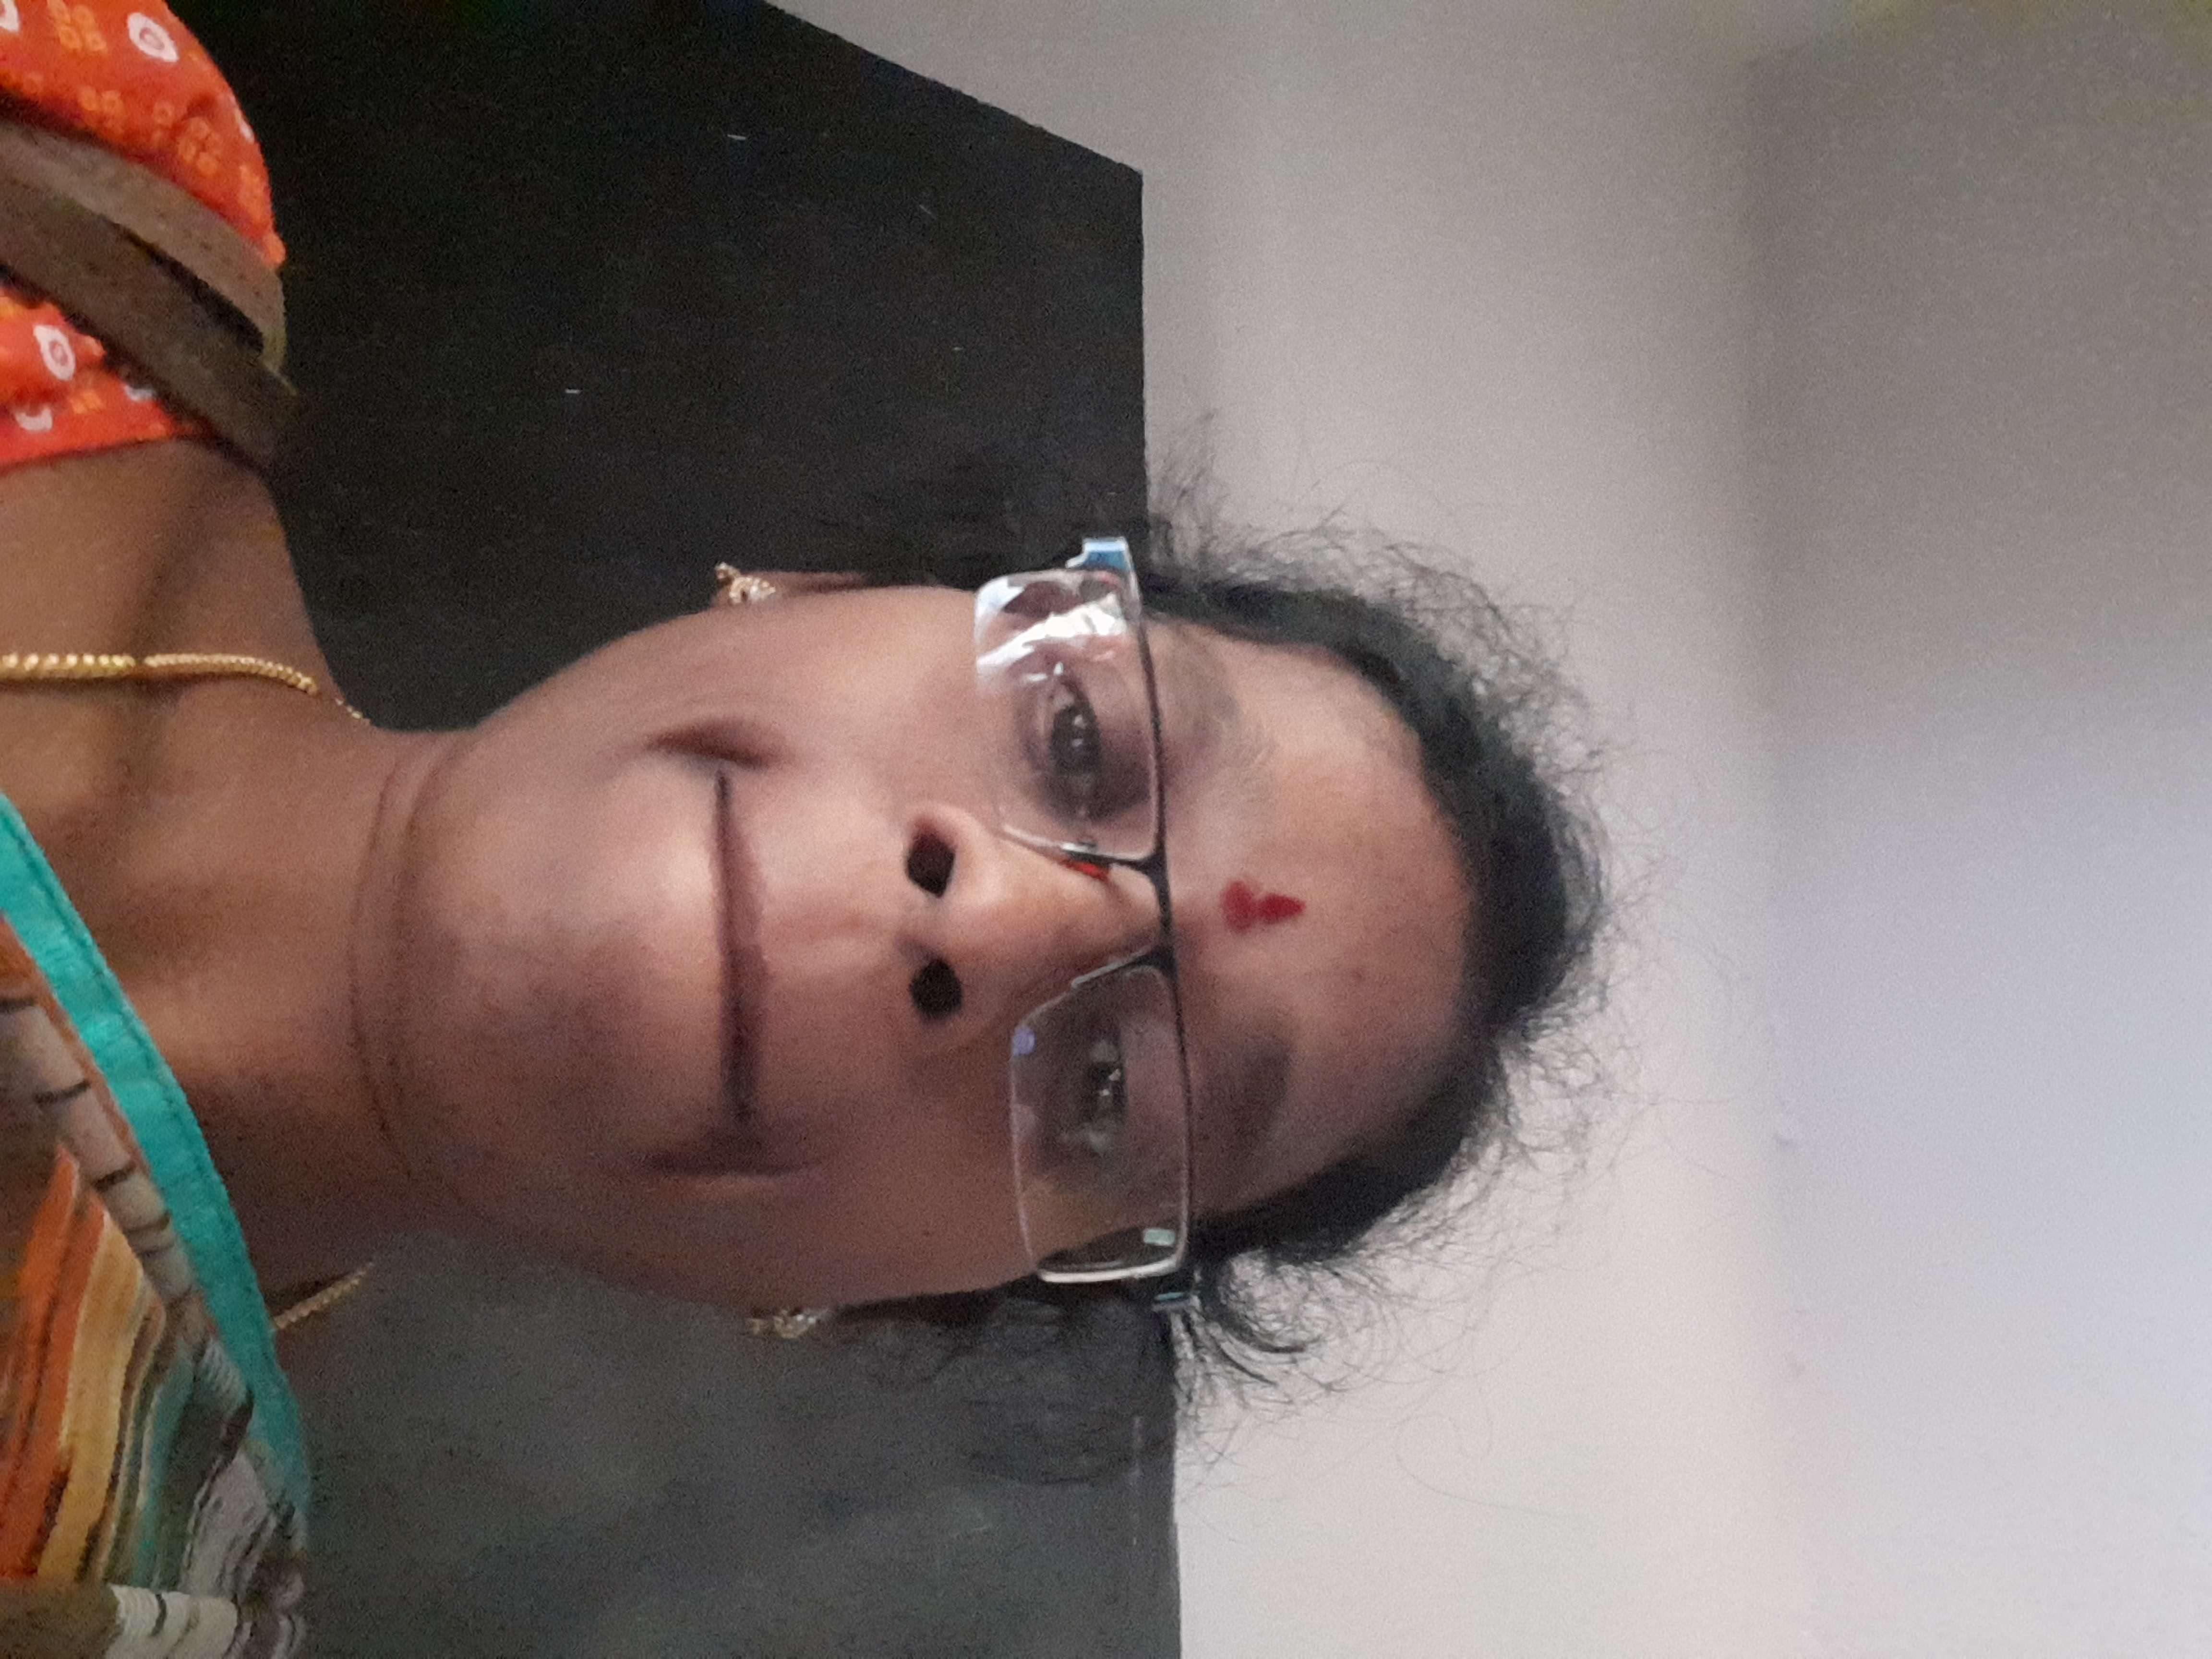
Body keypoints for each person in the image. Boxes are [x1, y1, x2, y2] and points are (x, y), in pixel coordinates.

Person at [0, 4, 1600, 1653]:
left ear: (872, 1296)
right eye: (1078, 738)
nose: (1008, 920)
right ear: (821, 592)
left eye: (1112, 1095)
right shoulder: (83, 146)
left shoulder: (107, 1599)